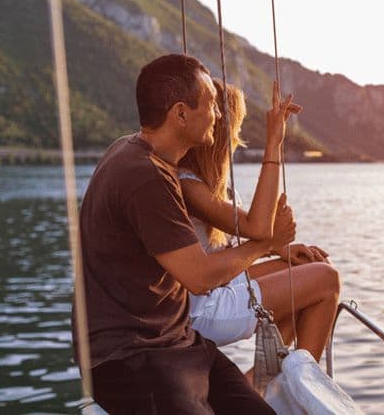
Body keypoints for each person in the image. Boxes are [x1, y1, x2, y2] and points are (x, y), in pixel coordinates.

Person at [74, 54, 293, 414]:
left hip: (176, 342)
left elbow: (248, 231)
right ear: (180, 113)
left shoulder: (136, 154)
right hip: (129, 357)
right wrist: (268, 244)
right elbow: (199, 277)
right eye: (211, 105)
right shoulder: (144, 175)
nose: (218, 116)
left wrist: (274, 143)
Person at [178, 80, 340, 362]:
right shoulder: (189, 185)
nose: (238, 139)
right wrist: (274, 142)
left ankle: (268, 376)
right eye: (237, 128)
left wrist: (277, 249)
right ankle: (296, 378)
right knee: (327, 280)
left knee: (311, 265)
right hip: (202, 310)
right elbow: (258, 227)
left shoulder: (209, 186)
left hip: (215, 288)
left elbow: (232, 248)